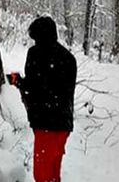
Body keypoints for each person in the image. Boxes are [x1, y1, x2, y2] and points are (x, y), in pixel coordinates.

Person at [9, 15, 77, 182]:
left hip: (46, 123)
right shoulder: (68, 57)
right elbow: (60, 89)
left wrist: (17, 81)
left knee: (42, 175)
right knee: (53, 173)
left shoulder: (36, 53)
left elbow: (34, 88)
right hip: (64, 124)